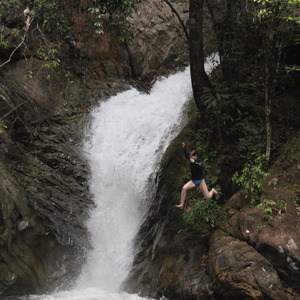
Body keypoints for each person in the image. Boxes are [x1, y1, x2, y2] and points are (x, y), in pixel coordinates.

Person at [176, 142, 219, 209]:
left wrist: (194, 162)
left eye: (192, 156)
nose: (191, 158)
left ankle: (213, 190)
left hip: (201, 181)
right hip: (193, 181)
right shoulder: (191, 159)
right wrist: (184, 148)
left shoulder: (199, 161)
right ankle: (182, 204)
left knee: (207, 198)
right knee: (184, 188)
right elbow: (186, 155)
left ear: (196, 156)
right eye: (191, 157)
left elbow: (200, 166)